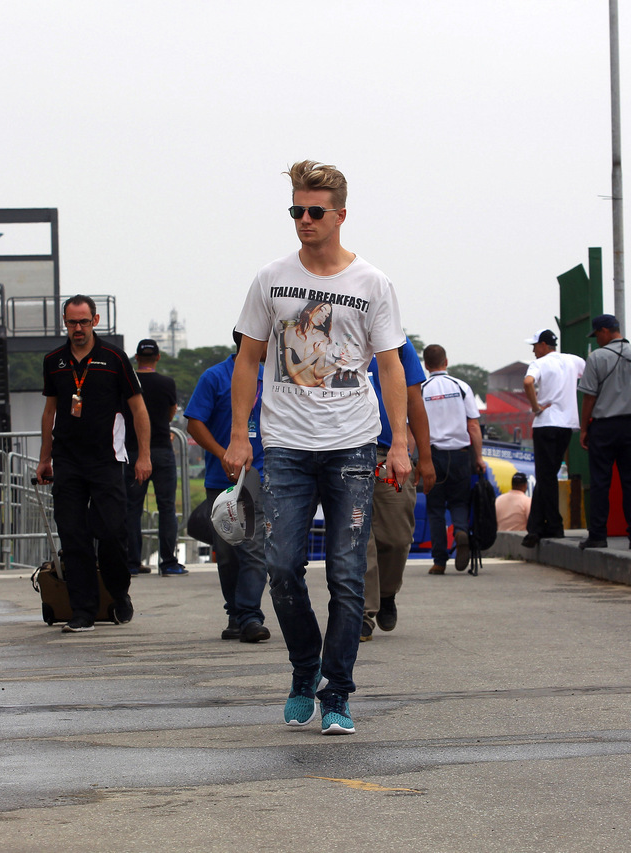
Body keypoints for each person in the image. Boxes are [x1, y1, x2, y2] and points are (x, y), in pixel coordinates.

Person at [223, 159, 411, 736]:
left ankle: (338, 691)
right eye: (296, 211)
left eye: (314, 211)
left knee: (349, 574)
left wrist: (398, 441)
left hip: (354, 444)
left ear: (340, 216)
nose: (303, 220)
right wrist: (238, 434)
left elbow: (390, 367)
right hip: (284, 445)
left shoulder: (372, 283)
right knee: (281, 567)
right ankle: (304, 672)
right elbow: (249, 358)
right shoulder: (270, 279)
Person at [37, 295, 151, 632]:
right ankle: (82, 610)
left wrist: (143, 455)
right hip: (67, 461)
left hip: (106, 460)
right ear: (64, 323)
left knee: (112, 532)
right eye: (72, 322)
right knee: (73, 536)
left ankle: (118, 592)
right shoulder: (54, 360)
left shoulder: (114, 358)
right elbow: (49, 412)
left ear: (95, 320)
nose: (78, 329)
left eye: (84, 322)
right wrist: (45, 458)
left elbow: (138, 408)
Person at [184, 330, 270, 642]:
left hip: (257, 476)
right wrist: (223, 453)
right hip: (221, 480)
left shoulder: (270, 378)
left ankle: (249, 616)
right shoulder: (215, 377)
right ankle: (235, 614)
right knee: (228, 552)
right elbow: (194, 422)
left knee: (254, 549)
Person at [361, 338, 434, 640]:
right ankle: (363, 612)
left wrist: (426, 458)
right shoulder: (332, 332)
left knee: (397, 537)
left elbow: (414, 400)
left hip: (388, 452)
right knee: (358, 536)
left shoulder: (397, 344)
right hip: (346, 451)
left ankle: (387, 593)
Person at [578, 314, 631, 550]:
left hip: (603, 426)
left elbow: (589, 397)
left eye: (597, 335)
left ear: (604, 331)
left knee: (601, 482)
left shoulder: (596, 358)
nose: (598, 340)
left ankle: (598, 535)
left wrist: (584, 428)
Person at [124, 338, 189, 576]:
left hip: (132, 451)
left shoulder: (128, 383)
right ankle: (169, 562)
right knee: (167, 507)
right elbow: (171, 412)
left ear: (137, 357)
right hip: (162, 448)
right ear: (158, 358)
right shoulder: (167, 383)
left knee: (132, 508)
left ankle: (132, 562)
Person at [421, 344, 487, 574]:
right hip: (460, 454)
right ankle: (460, 531)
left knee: (435, 509)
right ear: (446, 362)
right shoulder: (461, 387)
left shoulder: (421, 389)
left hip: (433, 456)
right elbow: (473, 426)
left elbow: (412, 430)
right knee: (460, 502)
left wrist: (414, 459)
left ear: (426, 365)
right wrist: (478, 457)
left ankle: (439, 561)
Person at [521, 329, 585, 546]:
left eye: (535, 346)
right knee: (549, 474)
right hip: (566, 425)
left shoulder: (539, 363)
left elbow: (528, 382)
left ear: (544, 345)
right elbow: (589, 377)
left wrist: (535, 406)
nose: (533, 350)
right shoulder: (573, 361)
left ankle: (551, 525)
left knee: (545, 476)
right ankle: (538, 526)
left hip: (545, 422)